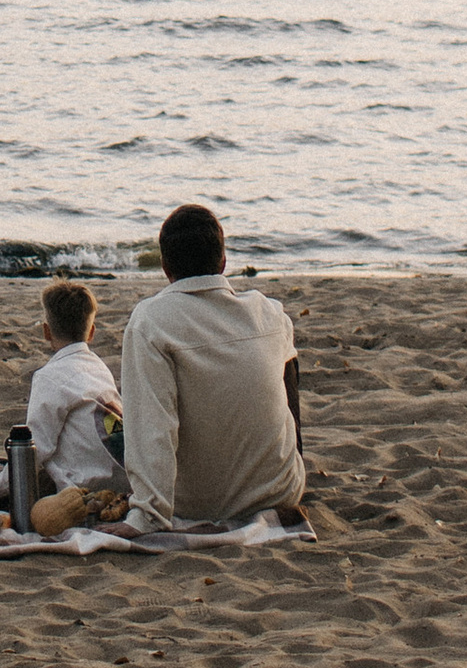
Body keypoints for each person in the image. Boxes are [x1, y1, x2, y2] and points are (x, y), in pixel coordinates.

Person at [116, 203, 305, 529]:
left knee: (114, 434)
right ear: (223, 261)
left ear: (164, 267)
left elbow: (153, 426)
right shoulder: (271, 313)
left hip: (194, 506)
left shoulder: (150, 322)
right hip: (281, 490)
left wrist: (147, 514)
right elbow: (291, 403)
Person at [23, 279, 128, 531]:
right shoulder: (99, 368)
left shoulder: (49, 376)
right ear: (91, 333)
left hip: (83, 492)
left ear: (46, 332)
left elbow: (37, 448)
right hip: (122, 482)